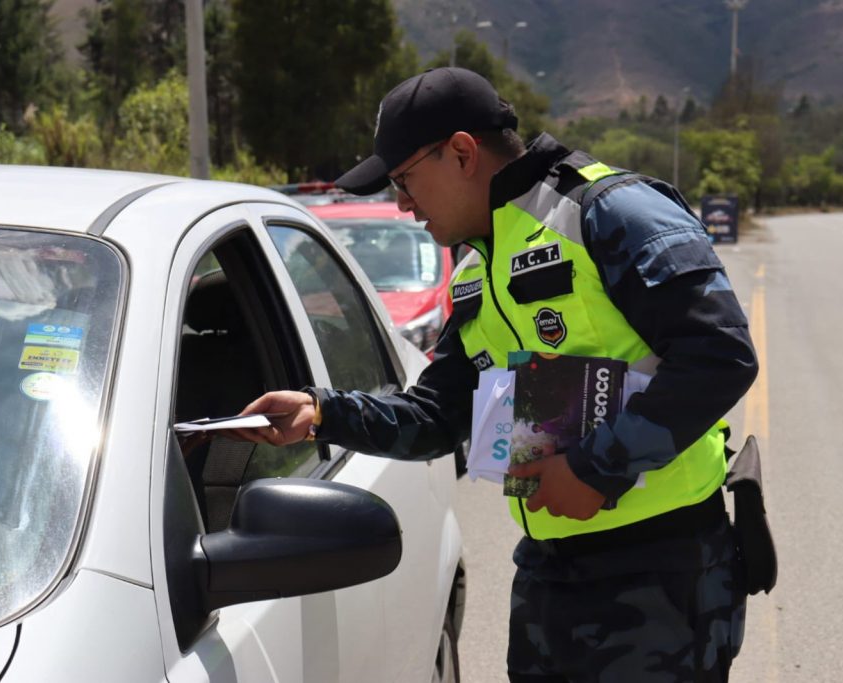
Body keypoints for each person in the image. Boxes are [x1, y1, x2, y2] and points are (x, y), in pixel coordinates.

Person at [230, 67, 758, 682]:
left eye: (404, 180)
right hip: (550, 571)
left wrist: (595, 468)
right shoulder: (476, 271)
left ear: (461, 153)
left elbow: (720, 354)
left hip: (662, 568)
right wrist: (322, 413)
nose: (401, 203)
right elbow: (438, 415)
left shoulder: (609, 211)